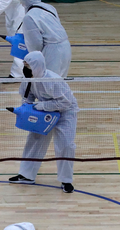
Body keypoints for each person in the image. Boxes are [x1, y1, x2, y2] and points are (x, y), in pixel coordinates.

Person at [8, 51, 79, 193]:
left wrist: (44, 106)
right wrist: (27, 110)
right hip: (44, 112)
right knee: (34, 139)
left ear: (37, 65)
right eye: (25, 65)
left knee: (66, 145)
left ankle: (66, 180)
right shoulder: (28, 80)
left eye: (28, 65)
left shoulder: (53, 80)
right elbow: (27, 98)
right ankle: (26, 175)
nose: (25, 68)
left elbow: (66, 102)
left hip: (66, 112)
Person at [18, 0, 72, 78]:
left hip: (53, 53)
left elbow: (35, 46)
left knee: (48, 86)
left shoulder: (29, 17)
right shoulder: (49, 7)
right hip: (66, 47)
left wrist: (30, 61)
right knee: (60, 84)